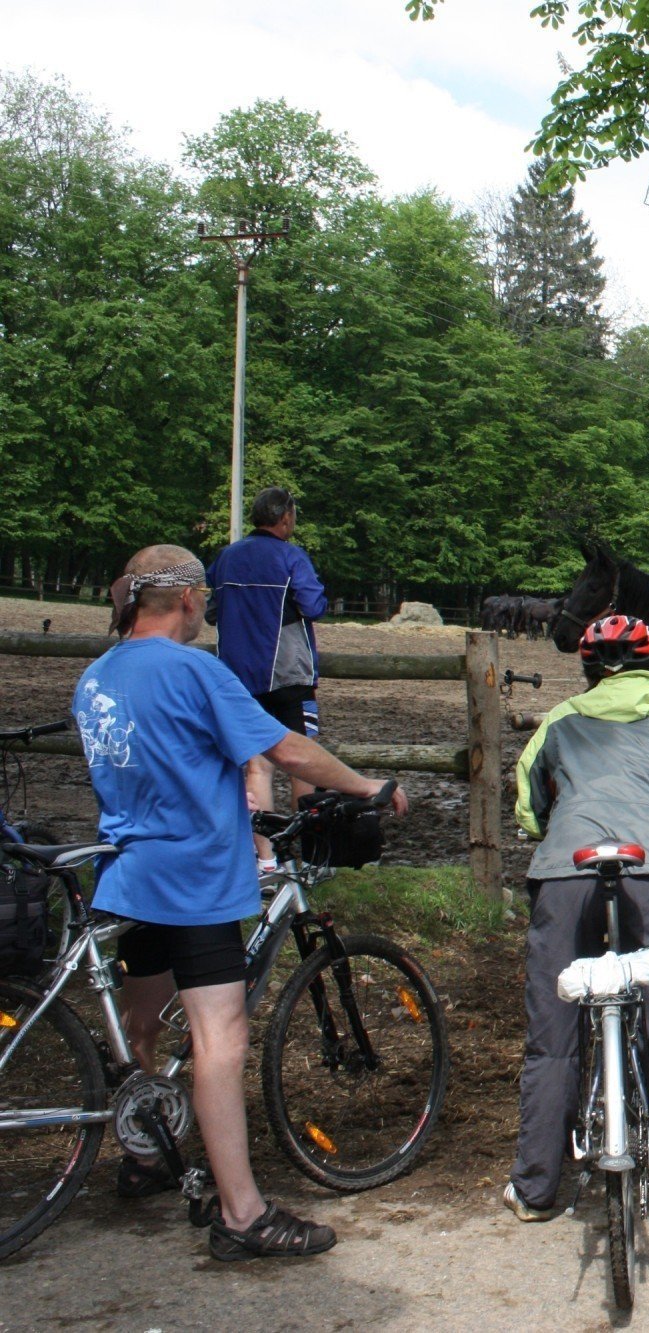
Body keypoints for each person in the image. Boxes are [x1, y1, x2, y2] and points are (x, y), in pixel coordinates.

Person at [78, 545, 407, 1260]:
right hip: (195, 876)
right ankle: (242, 1211)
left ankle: (145, 1142)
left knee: (142, 1018)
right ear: (191, 599)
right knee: (219, 1040)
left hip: (131, 874)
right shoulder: (195, 668)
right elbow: (288, 750)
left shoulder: (97, 675)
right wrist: (362, 786)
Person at [507, 614, 649, 1232]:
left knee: (552, 1037)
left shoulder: (559, 722)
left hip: (567, 871)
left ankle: (534, 1189)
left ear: (587, 668)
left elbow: (529, 805)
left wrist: (556, 829)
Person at [206, 487, 327, 869]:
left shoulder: (226, 558)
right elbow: (314, 605)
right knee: (303, 763)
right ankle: (307, 854)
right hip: (289, 674)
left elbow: (211, 612)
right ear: (285, 517)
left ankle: (266, 858)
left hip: (238, 677)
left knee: (257, 765)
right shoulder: (292, 557)